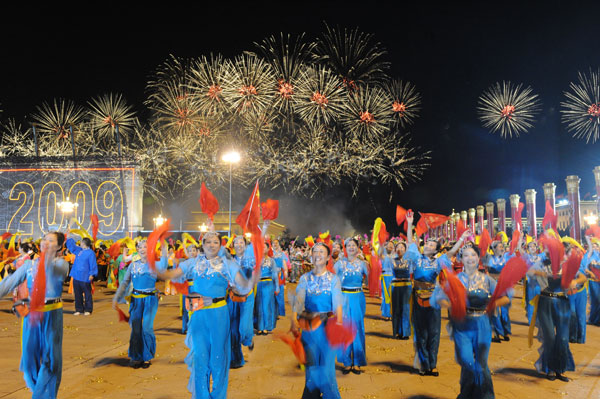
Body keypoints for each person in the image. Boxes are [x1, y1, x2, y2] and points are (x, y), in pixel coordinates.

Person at [158, 231, 258, 399]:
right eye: (208, 242)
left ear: (220, 246)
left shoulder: (227, 263)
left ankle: (218, 396)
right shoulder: (193, 262)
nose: (211, 245)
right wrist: (158, 269)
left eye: (215, 242)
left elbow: (242, 283)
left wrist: (251, 277)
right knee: (200, 358)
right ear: (202, 245)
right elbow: (172, 275)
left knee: (218, 358)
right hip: (198, 315)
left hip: (219, 314)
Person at [431, 245, 509, 399]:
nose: (469, 258)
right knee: (466, 360)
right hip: (463, 324)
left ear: (478, 258)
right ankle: (470, 392)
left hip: (482, 324)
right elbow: (439, 297)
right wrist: (451, 306)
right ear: (461, 259)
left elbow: (505, 297)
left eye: (473, 255)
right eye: (465, 255)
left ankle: (483, 395)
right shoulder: (456, 279)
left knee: (481, 363)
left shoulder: (487, 280)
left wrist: (491, 305)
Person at [0, 231, 69, 399]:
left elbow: (54, 274)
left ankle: (43, 395)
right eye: (44, 239)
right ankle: (38, 388)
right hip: (32, 316)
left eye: (51, 240)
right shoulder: (28, 266)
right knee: (29, 360)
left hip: (52, 316)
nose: (45, 242)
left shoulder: (61, 264)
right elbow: (8, 283)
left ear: (59, 246)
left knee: (50, 359)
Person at [404, 213, 458, 377]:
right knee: (420, 333)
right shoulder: (416, 257)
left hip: (434, 299)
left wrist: (461, 238)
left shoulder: (439, 261)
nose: (427, 245)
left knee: (434, 333)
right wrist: (409, 224)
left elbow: (451, 253)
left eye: (431, 244)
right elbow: (410, 242)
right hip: (417, 297)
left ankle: (432, 365)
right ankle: (424, 364)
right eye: (427, 243)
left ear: (436, 249)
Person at [527, 243, 587, 381]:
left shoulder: (568, 265)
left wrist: (575, 281)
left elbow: (583, 277)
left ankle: (561, 369)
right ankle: (550, 369)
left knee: (563, 338)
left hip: (562, 302)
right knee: (550, 338)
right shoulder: (542, 263)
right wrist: (546, 274)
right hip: (545, 303)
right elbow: (530, 272)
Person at [292, 242, 343, 399]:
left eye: (322, 252)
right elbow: (298, 304)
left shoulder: (334, 279)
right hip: (309, 329)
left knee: (327, 370)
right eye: (315, 251)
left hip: (328, 328)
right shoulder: (304, 279)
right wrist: (294, 323)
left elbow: (337, 304)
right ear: (311, 256)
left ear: (328, 257)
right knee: (312, 369)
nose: (318, 254)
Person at [112, 240, 168, 369]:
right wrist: (116, 297)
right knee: (136, 329)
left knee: (147, 327)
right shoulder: (133, 265)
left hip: (150, 299)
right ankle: (136, 356)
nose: (143, 249)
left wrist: (164, 247)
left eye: (146, 247)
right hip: (136, 300)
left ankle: (147, 356)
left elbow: (164, 265)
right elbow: (125, 282)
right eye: (140, 247)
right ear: (137, 249)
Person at [334, 237, 368, 374]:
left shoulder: (363, 264)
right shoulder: (339, 264)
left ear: (358, 248)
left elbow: (372, 278)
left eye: (354, 245)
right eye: (349, 245)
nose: (351, 247)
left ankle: (358, 361)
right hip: (343, 298)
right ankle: (347, 361)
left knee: (357, 328)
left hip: (358, 297)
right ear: (345, 248)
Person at [228, 236, 256, 368]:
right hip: (232, 298)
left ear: (245, 245)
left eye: (241, 242)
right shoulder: (229, 260)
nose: (238, 244)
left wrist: (265, 227)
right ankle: (237, 359)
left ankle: (248, 339)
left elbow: (259, 245)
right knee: (233, 331)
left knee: (243, 328)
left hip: (247, 298)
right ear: (232, 245)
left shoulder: (251, 260)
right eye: (236, 242)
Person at [483, 240, 516, 342]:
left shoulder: (506, 256)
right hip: (493, 285)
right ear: (494, 249)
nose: (502, 248)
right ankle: (497, 333)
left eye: (502, 246)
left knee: (505, 311)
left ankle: (506, 332)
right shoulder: (489, 258)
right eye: (499, 247)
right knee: (494, 309)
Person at [65, 236, 98, 316]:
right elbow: (72, 247)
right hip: (76, 276)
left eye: (82, 242)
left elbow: (93, 264)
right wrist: (69, 237)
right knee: (77, 294)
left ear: (85, 244)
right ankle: (79, 309)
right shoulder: (79, 250)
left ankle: (88, 309)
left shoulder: (91, 253)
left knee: (87, 294)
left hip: (85, 277)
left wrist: (92, 274)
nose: (80, 243)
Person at [255, 241, 279, 335]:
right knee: (259, 306)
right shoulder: (256, 260)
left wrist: (277, 287)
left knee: (266, 305)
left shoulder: (271, 260)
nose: (263, 249)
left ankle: (266, 326)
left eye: (264, 247)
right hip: (258, 284)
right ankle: (259, 327)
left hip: (268, 284)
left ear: (268, 249)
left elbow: (275, 274)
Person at [391, 241, 412, 340]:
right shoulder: (392, 260)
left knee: (406, 309)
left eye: (402, 247)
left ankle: (405, 332)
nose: (400, 249)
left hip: (406, 286)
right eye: (398, 247)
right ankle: (397, 332)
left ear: (405, 249)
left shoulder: (410, 260)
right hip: (395, 286)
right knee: (396, 309)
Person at [522, 241, 545, 324]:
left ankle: (539, 320)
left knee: (540, 302)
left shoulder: (541, 256)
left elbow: (549, 251)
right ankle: (531, 320)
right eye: (530, 246)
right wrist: (520, 239)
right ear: (528, 249)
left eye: (534, 246)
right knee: (531, 302)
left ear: (536, 248)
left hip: (540, 283)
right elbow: (520, 250)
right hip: (531, 283)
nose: (532, 248)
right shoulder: (527, 257)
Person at [582, 236, 600, 325]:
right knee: (596, 300)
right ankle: (593, 320)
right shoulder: (589, 255)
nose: (595, 248)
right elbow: (586, 269)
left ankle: (596, 319)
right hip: (593, 281)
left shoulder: (598, 255)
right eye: (593, 246)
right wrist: (588, 240)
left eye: (597, 246)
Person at [272, 239, 289, 318]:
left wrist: (285, 272)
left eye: (276, 243)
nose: (275, 244)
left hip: (279, 275)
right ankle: (273, 311)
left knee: (279, 294)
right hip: (271, 275)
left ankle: (278, 312)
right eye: (273, 243)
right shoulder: (269, 253)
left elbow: (284, 263)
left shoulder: (282, 254)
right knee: (271, 294)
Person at [379, 241, 394, 321]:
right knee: (386, 296)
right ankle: (386, 313)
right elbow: (379, 252)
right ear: (386, 247)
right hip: (385, 277)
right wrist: (381, 242)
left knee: (392, 296)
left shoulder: (395, 256)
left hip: (393, 278)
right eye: (389, 246)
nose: (390, 247)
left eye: (392, 246)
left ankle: (391, 313)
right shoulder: (383, 256)